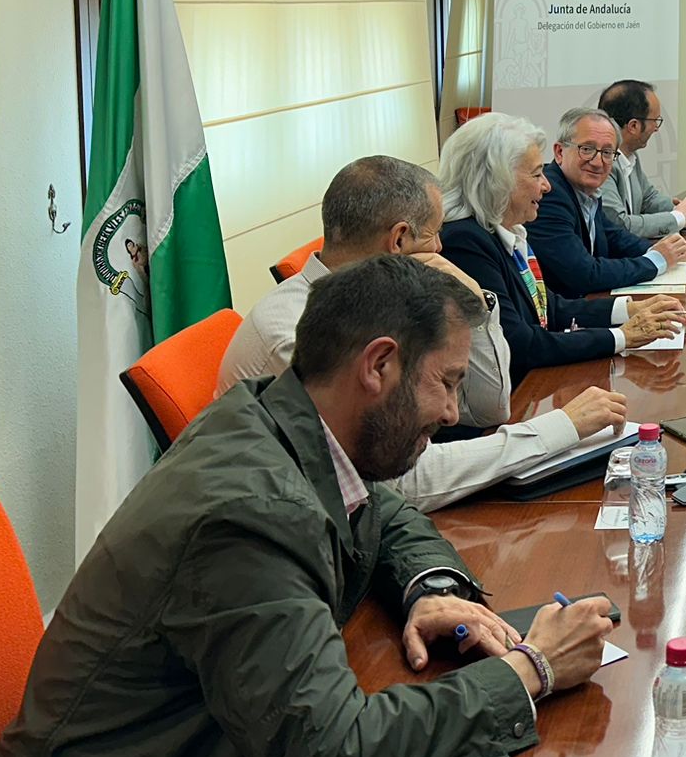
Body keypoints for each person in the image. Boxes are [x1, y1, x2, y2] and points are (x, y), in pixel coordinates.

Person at [0, 256, 617, 757]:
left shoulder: (285, 416)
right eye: (444, 383)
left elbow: (384, 515)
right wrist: (530, 672)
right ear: (378, 365)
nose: (449, 413)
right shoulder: (248, 514)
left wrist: (430, 590)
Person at [216, 155, 627, 511]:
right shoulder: (297, 336)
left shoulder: (379, 301)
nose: (443, 249)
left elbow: (487, 408)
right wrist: (560, 428)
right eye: (435, 233)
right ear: (398, 239)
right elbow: (400, 484)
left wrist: (478, 309)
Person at [439, 112, 685, 375]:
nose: (546, 186)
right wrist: (621, 337)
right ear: (496, 180)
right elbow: (521, 343)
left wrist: (627, 309)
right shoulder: (465, 242)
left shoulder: (501, 231)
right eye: (536, 175)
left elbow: (547, 307)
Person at [531, 107, 686, 296]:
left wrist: (658, 250)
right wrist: (655, 260)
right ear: (559, 152)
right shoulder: (550, 194)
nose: (598, 162)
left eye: (607, 153)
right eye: (587, 149)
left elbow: (613, 236)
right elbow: (583, 274)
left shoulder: (585, 190)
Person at [598, 79, 686, 240]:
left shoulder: (629, 155)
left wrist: (684, 208)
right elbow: (620, 225)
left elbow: (648, 199)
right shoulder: (601, 162)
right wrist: (679, 217)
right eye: (655, 121)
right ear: (633, 126)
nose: (656, 128)